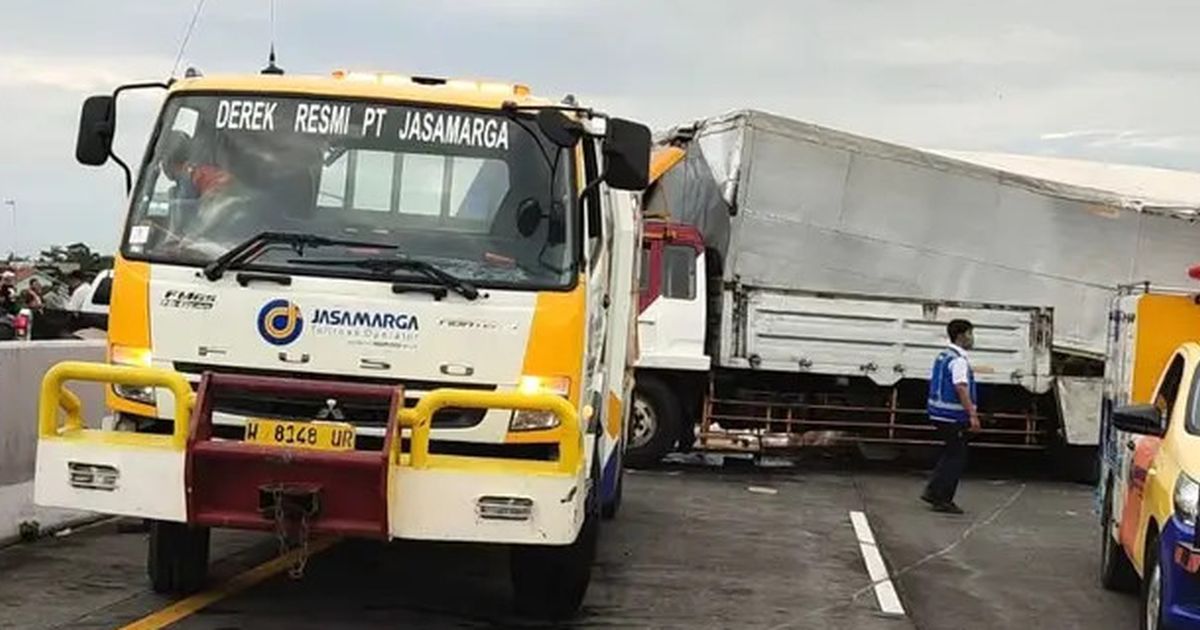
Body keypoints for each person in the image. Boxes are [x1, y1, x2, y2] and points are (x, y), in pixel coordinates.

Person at [921, 319, 980, 514]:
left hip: (939, 413)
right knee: (956, 458)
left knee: (949, 454)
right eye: (971, 334)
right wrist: (972, 414)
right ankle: (942, 498)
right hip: (952, 416)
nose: (973, 338)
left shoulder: (943, 356)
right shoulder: (958, 361)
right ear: (962, 336)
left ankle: (932, 491)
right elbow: (961, 388)